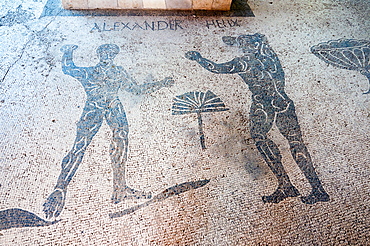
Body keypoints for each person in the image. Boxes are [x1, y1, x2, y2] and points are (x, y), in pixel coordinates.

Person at [185, 34, 329, 204]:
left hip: (263, 104)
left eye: (242, 44)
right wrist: (236, 40)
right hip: (283, 101)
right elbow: (258, 40)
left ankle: (286, 185)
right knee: (296, 142)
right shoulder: (269, 56)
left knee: (259, 137)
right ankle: (317, 189)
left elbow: (217, 68)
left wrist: (199, 58)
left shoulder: (243, 62)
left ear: (246, 47)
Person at [43, 44, 174, 219]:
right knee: (79, 147)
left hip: (115, 109)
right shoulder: (89, 72)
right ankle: (60, 188)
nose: (108, 55)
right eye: (105, 52)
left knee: (121, 141)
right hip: (93, 109)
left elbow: (136, 89)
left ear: (114, 55)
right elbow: (69, 69)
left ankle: (120, 188)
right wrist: (68, 51)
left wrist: (161, 83)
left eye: (111, 53)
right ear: (99, 54)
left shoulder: (118, 72)